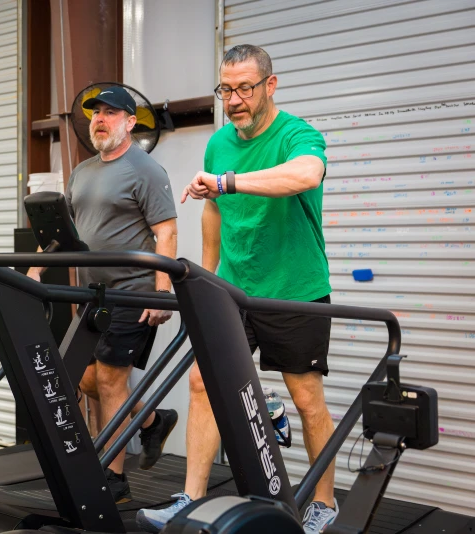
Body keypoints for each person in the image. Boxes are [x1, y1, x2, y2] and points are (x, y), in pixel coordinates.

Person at [137, 45, 337, 534]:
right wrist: (206, 280)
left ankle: (324, 504)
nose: (234, 100)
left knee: (306, 398)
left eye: (245, 88)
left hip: (294, 290)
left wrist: (228, 181)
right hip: (233, 287)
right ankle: (191, 497)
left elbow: (305, 175)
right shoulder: (219, 142)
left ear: (270, 85)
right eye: (226, 89)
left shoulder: (297, 134)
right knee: (202, 383)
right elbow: (213, 210)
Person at [27, 85, 179, 503]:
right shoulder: (83, 171)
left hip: (132, 292)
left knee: (111, 381)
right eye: (96, 112)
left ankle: (113, 478)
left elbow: (166, 230)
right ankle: (150, 421)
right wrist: (35, 269)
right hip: (89, 296)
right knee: (84, 377)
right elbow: (64, 234)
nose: (100, 119)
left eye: (112, 113)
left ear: (131, 122)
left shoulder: (145, 169)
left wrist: (160, 293)